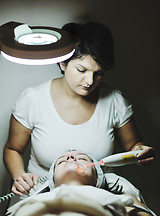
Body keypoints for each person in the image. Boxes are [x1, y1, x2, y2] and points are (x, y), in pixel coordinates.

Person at [3, 21, 155, 196]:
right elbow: (12, 149)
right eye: (82, 70)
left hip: (99, 198)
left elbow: (135, 146)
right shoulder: (33, 100)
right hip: (40, 197)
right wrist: (19, 176)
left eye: (98, 73)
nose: (90, 81)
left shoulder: (114, 102)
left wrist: (141, 152)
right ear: (62, 63)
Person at [1, 151, 160, 216]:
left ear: (98, 178)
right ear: (52, 180)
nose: (71, 158)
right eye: (61, 160)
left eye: (82, 158)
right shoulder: (33, 200)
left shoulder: (122, 198)